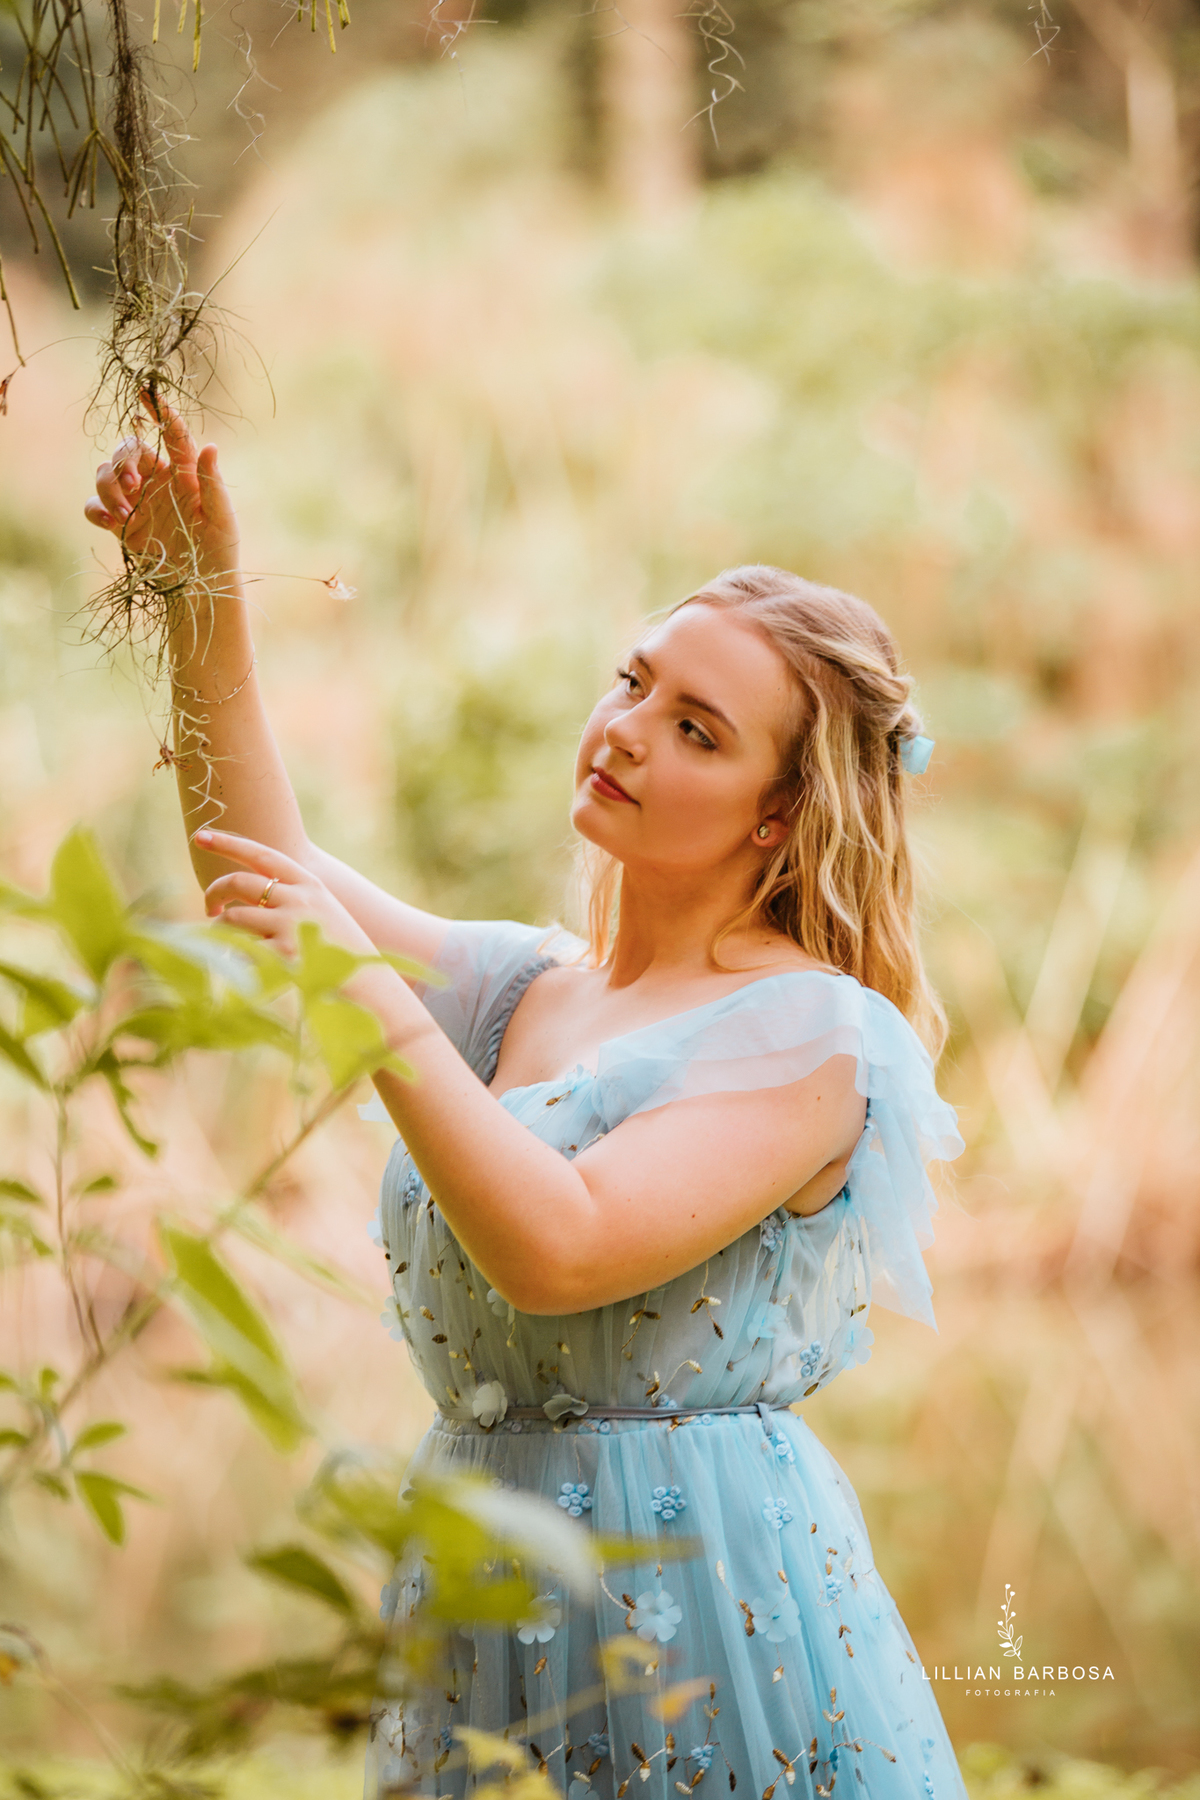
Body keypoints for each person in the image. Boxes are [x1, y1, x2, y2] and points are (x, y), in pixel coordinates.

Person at [86, 406, 967, 1800]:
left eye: (695, 730)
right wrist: (204, 602)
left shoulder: (818, 1039)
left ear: (779, 817)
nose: (623, 732)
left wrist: (373, 1005)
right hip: (485, 1591)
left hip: (703, 1619)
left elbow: (558, 1247)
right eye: (633, 682)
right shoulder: (523, 987)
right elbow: (261, 881)